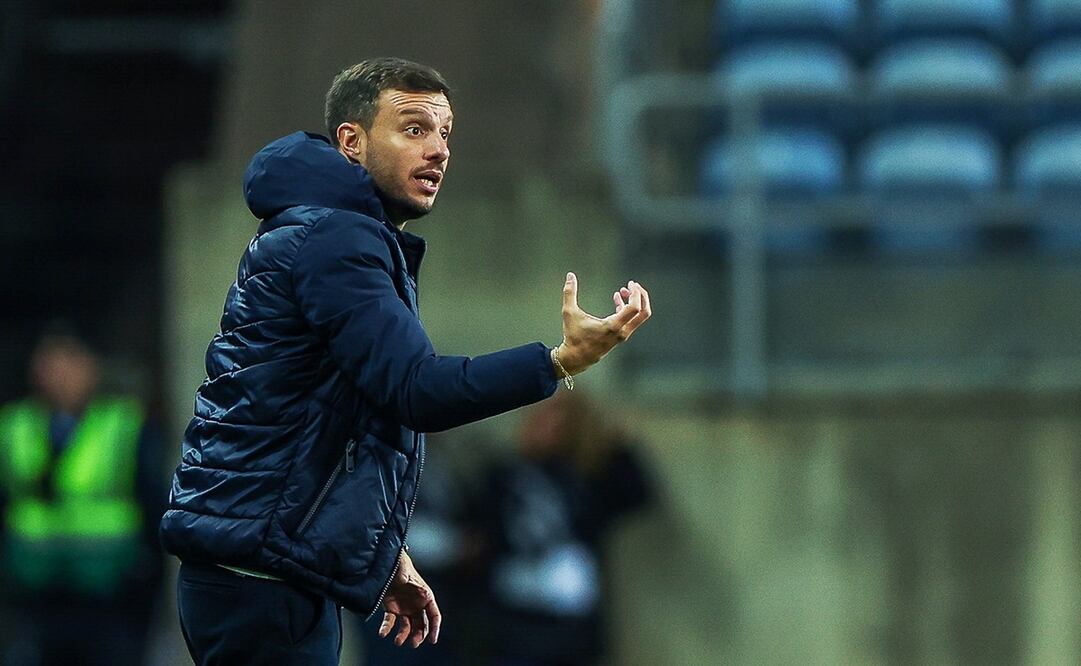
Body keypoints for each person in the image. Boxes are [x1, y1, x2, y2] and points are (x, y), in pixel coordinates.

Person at [160, 57, 652, 665]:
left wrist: (382, 553)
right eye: (415, 128)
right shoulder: (338, 236)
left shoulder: (318, 230)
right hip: (263, 575)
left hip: (259, 567)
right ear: (351, 141)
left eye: (446, 133)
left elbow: (316, 420)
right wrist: (559, 361)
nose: (440, 150)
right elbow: (418, 390)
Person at [0, 331, 165, 666]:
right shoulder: (16, 425)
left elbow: (153, 504)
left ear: (91, 367)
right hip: (37, 595)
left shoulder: (123, 422)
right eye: (48, 365)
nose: (58, 376)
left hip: (110, 595)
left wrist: (145, 579)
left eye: (68, 363)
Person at [476, 391, 653, 666]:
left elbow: (638, 494)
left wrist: (610, 436)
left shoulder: (588, 476)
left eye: (561, 417)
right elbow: (480, 533)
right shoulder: (503, 474)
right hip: (515, 619)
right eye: (544, 414)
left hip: (572, 625)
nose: (550, 423)